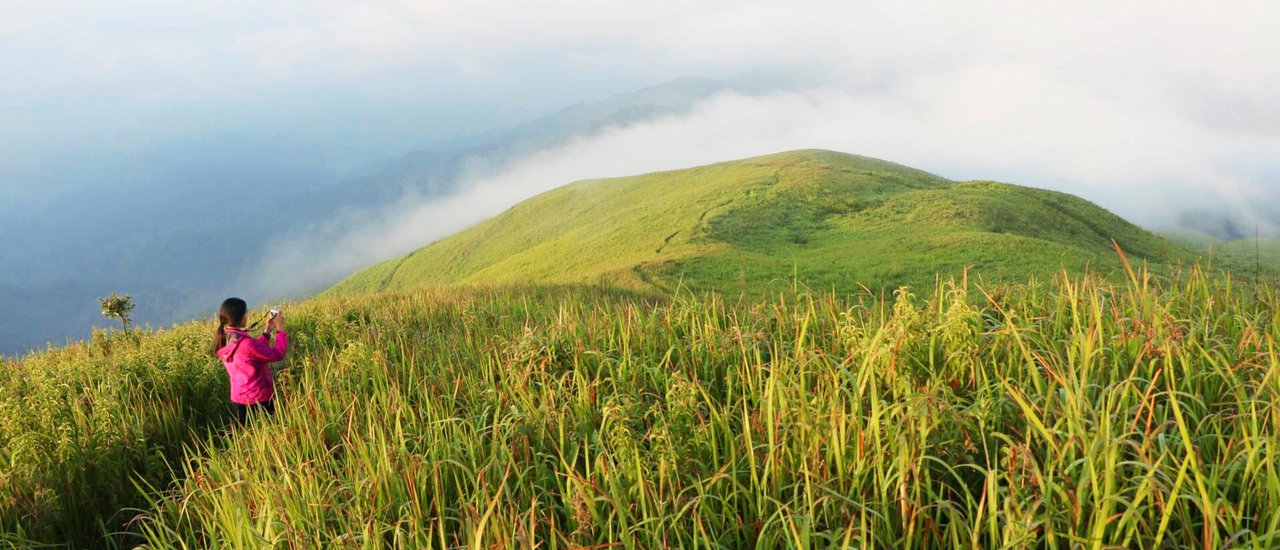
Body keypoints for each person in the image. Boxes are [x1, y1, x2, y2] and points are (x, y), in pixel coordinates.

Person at [213, 297, 287, 425]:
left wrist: (267, 331)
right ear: (240, 318)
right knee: (273, 432)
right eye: (245, 313)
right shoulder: (246, 343)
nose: (247, 316)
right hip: (260, 399)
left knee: (246, 437)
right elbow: (277, 354)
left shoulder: (225, 338)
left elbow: (250, 354)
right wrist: (280, 329)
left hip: (239, 400)